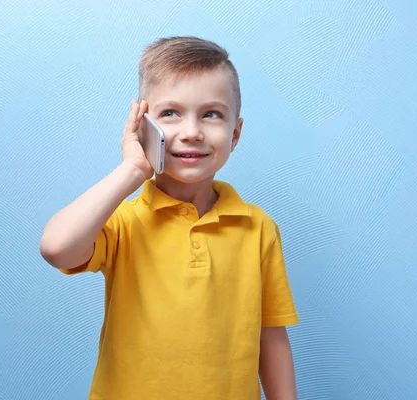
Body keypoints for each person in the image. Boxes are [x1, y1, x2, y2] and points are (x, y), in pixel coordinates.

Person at [40, 36, 299, 400]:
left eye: (211, 114)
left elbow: (270, 335)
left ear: (235, 134)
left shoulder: (257, 228)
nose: (191, 132)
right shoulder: (124, 222)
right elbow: (56, 248)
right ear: (142, 126)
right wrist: (132, 168)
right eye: (170, 113)